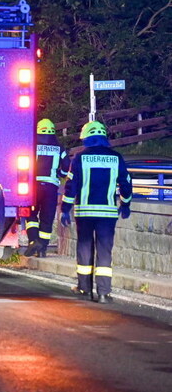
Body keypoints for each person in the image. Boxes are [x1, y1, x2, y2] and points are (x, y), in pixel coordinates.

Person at [60, 120, 133, 303]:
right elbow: (126, 183)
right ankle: (103, 293)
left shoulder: (79, 158)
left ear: (87, 138)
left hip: (84, 213)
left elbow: (71, 186)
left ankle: (84, 289)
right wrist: (125, 204)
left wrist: (65, 209)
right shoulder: (116, 157)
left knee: (85, 248)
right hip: (107, 214)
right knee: (104, 251)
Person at [25, 119, 69, 257]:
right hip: (51, 187)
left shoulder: (31, 146)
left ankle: (33, 241)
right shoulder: (59, 147)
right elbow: (67, 165)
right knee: (47, 218)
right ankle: (42, 249)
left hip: (33, 187)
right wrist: (60, 174)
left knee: (30, 214)